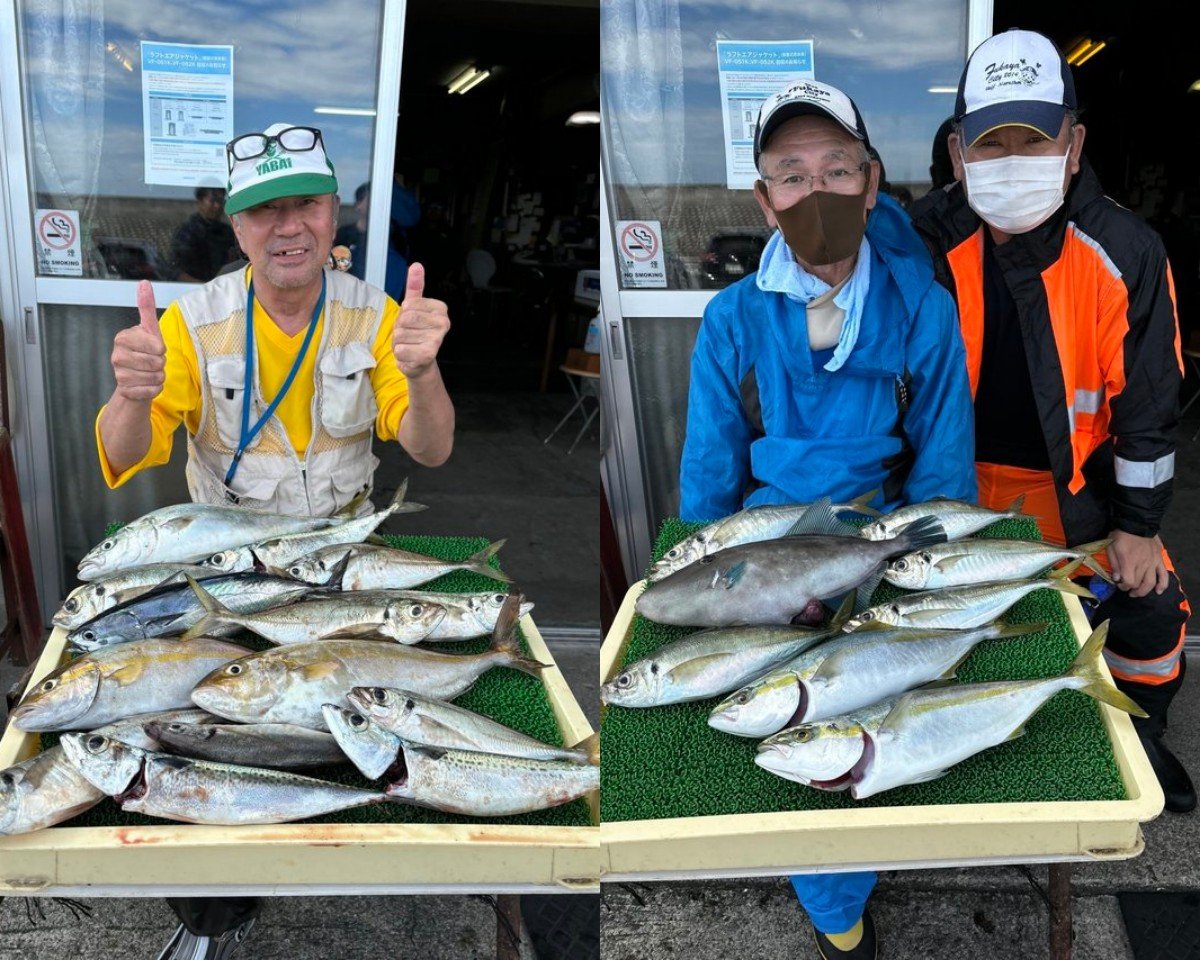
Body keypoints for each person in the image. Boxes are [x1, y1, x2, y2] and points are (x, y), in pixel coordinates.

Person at [96, 122, 454, 958]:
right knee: (208, 721)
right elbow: (121, 453)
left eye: (305, 205)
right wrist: (130, 395)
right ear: (235, 225)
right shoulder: (193, 323)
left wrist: (428, 373)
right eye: (264, 212)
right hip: (226, 577)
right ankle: (215, 910)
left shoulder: (379, 316)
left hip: (340, 567)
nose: (287, 227)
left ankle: (353, 840)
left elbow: (430, 448)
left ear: (336, 215)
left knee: (353, 713)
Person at [679, 78, 976, 959]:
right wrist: (719, 582)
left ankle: (850, 886)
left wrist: (906, 560)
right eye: (792, 175)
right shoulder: (734, 317)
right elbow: (708, 475)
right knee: (787, 728)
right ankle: (835, 905)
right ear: (764, 200)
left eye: (836, 169)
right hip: (766, 553)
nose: (817, 194)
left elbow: (944, 460)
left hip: (885, 540)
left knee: (879, 719)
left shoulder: (921, 305)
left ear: (872, 183)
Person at [909, 28, 1194, 813]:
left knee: (1150, 609)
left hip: (1077, 495)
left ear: (1074, 146)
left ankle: (1142, 739)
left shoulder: (1124, 249)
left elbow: (1148, 409)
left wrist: (1137, 526)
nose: (1009, 158)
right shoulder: (921, 239)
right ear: (957, 151)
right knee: (933, 631)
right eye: (989, 140)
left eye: (1032, 139)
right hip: (951, 493)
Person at [170, 186, 239, 282]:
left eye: (220, 201)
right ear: (200, 202)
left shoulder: (227, 232)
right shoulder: (186, 232)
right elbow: (175, 271)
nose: (217, 206)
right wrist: (204, 287)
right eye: (212, 201)